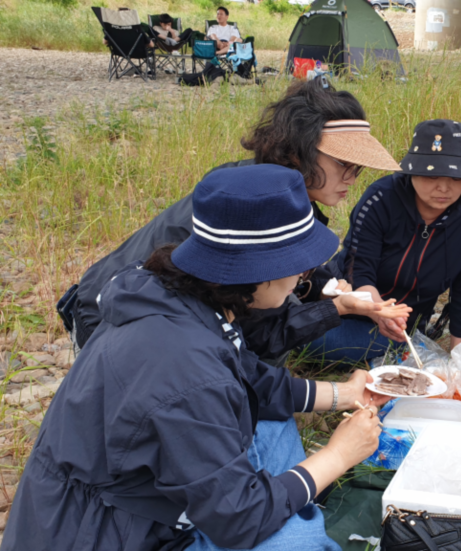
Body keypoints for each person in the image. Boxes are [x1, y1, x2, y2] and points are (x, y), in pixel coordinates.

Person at [3, 165, 392, 551]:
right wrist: (338, 455)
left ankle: (288, 499)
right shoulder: (186, 367)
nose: (303, 275)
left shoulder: (188, 297)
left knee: (273, 428)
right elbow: (239, 519)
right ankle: (290, 510)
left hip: (139, 491)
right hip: (101, 530)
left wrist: (346, 395)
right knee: (300, 543)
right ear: (259, 271)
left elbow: (251, 379)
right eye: (298, 264)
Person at [60, 80, 406, 363]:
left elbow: (295, 268)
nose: (353, 178)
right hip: (106, 317)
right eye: (344, 164)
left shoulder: (281, 191)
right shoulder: (252, 205)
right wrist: (335, 309)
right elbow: (258, 330)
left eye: (358, 168)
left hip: (145, 311)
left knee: (368, 344)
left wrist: (337, 290)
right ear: (299, 151)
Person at [311, 120, 461, 364]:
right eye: (432, 174)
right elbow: (359, 270)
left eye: (457, 176)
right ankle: (403, 348)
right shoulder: (381, 198)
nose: (444, 187)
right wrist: (381, 313)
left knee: (391, 344)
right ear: (412, 170)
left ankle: (402, 347)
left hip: (403, 324)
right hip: (351, 303)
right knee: (316, 339)